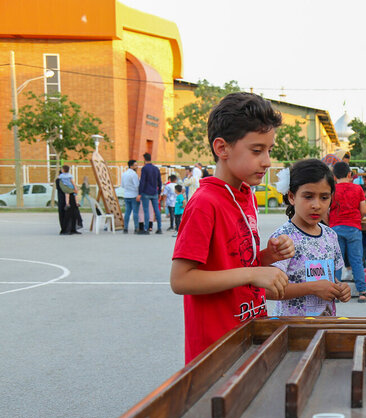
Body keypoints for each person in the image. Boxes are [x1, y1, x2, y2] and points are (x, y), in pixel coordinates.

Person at [170, 92, 294, 364]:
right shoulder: (204, 203)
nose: (267, 161)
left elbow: (233, 265)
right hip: (215, 352)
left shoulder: (246, 194)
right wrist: (253, 272)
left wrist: (266, 258)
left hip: (249, 335)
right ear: (222, 148)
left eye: (269, 150)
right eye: (257, 150)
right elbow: (181, 280)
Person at [271, 159, 351, 316]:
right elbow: (270, 291)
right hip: (292, 329)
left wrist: (340, 288)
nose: (317, 205)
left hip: (325, 327)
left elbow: (327, 278)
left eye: (324, 197)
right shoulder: (283, 238)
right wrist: (312, 288)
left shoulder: (330, 236)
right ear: (292, 197)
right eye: (308, 196)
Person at [329, 161, 366, 303]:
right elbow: (364, 210)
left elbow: (325, 209)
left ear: (334, 176)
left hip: (335, 228)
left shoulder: (332, 190)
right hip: (354, 227)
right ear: (349, 174)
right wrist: (357, 218)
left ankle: (336, 293)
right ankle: (362, 292)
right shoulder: (358, 189)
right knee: (356, 260)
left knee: (337, 262)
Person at [137, 152, 163, 234]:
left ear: (144, 159)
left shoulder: (144, 169)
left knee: (146, 210)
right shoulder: (156, 169)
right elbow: (160, 181)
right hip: (154, 192)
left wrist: (140, 193)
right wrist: (159, 192)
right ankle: (159, 228)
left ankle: (146, 228)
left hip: (146, 192)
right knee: (157, 210)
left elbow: (142, 181)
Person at [121, 160, 140, 234]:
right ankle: (136, 227)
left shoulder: (124, 174)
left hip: (126, 194)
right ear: (131, 166)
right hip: (134, 195)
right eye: (135, 165)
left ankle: (125, 228)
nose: (137, 167)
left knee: (127, 212)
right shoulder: (134, 174)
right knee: (135, 212)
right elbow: (137, 185)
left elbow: (122, 185)